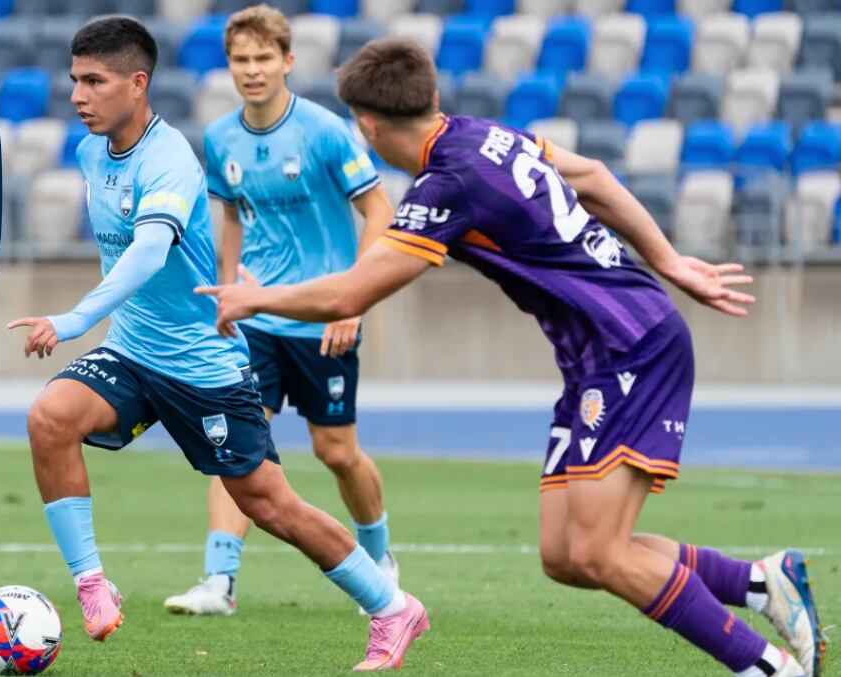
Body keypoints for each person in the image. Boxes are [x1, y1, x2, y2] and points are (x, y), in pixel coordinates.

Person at [198, 38, 825, 677]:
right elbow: (596, 178)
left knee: (602, 552)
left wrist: (254, 299)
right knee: (566, 553)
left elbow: (352, 292)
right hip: (601, 353)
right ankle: (757, 582)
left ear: (367, 126)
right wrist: (666, 262)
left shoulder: (446, 186)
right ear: (434, 98)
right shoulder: (483, 135)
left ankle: (768, 668)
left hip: (630, 348)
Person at [7, 20, 428, 671]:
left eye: (94, 81)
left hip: (204, 367)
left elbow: (149, 250)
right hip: (133, 352)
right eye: (74, 81)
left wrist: (73, 318)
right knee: (49, 417)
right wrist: (226, 282)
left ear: (137, 83)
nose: (78, 95)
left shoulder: (171, 157)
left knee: (271, 503)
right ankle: (95, 583)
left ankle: (391, 604)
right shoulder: (93, 154)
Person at [163, 4, 398, 617]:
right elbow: (233, 218)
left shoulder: (323, 131)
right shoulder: (219, 138)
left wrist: (356, 296)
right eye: (241, 59)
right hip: (256, 319)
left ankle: (379, 557)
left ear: (287, 61)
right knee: (236, 444)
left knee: (336, 451)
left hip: (325, 315)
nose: (252, 70)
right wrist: (226, 297)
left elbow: (380, 211)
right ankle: (219, 581)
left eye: (263, 58)